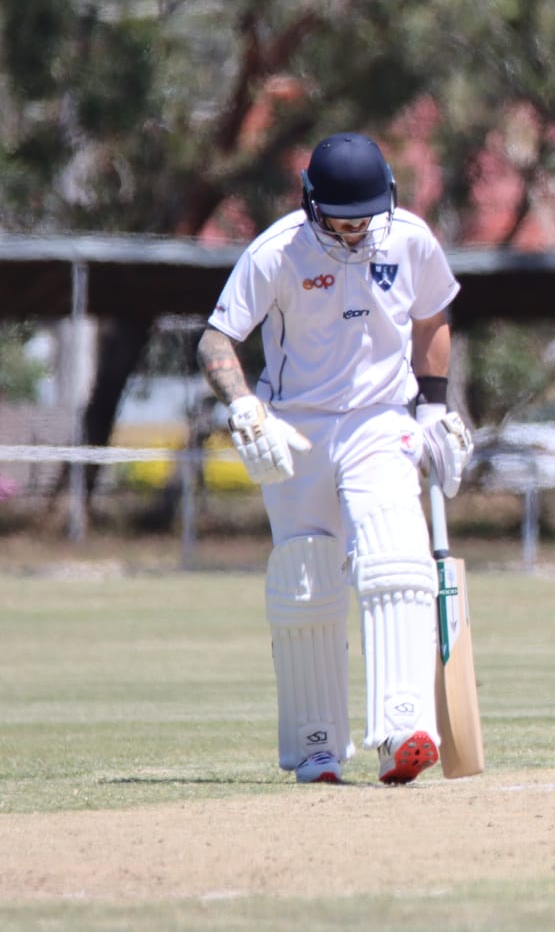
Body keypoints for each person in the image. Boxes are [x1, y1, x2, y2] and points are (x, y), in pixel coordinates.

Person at [197, 132, 474, 785]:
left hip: (380, 418)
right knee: (308, 576)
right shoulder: (277, 251)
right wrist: (243, 407)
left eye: (364, 218)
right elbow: (217, 337)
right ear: (312, 203)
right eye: (341, 221)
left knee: (395, 553)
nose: (354, 232)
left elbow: (433, 318)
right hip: (296, 428)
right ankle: (317, 746)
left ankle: (405, 727)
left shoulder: (408, 237)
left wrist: (433, 408)